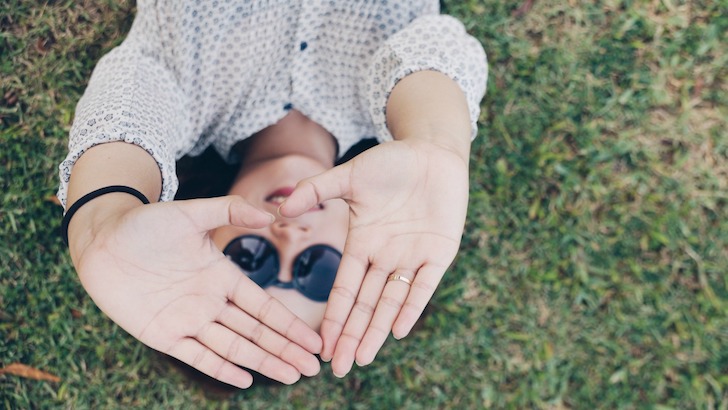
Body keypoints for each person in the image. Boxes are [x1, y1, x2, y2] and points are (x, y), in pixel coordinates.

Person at [58, 0, 487, 389]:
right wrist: (436, 140)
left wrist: (100, 219)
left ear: (204, 239)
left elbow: (134, 97)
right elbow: (434, 47)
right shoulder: (396, 110)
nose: (290, 236)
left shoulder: (185, 97)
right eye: (319, 268)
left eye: (249, 259)